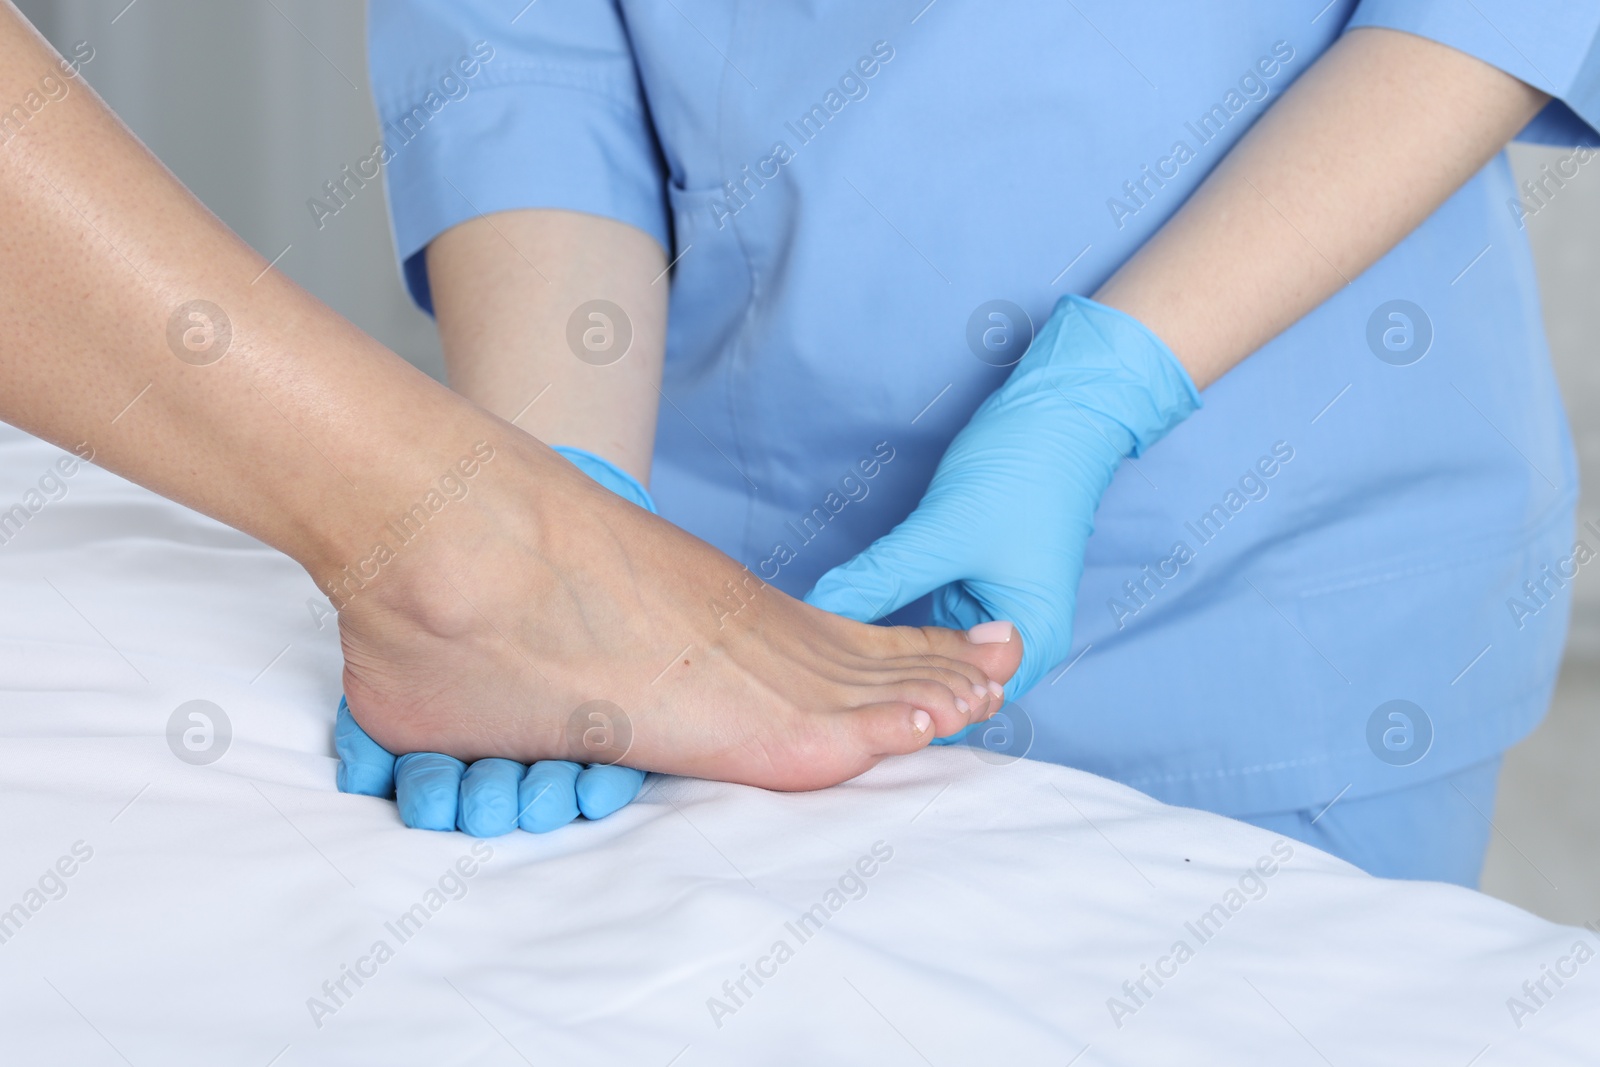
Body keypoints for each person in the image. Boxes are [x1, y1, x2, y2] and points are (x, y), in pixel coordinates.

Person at [346, 0, 1600, 885]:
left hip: (1284, 577)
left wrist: (1098, 392)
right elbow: (521, 63)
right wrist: (563, 528)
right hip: (726, 595)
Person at [0, 9, 1022, 798]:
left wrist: (1120, 373)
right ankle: (449, 541)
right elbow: (525, 56)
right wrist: (555, 503)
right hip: (692, 497)